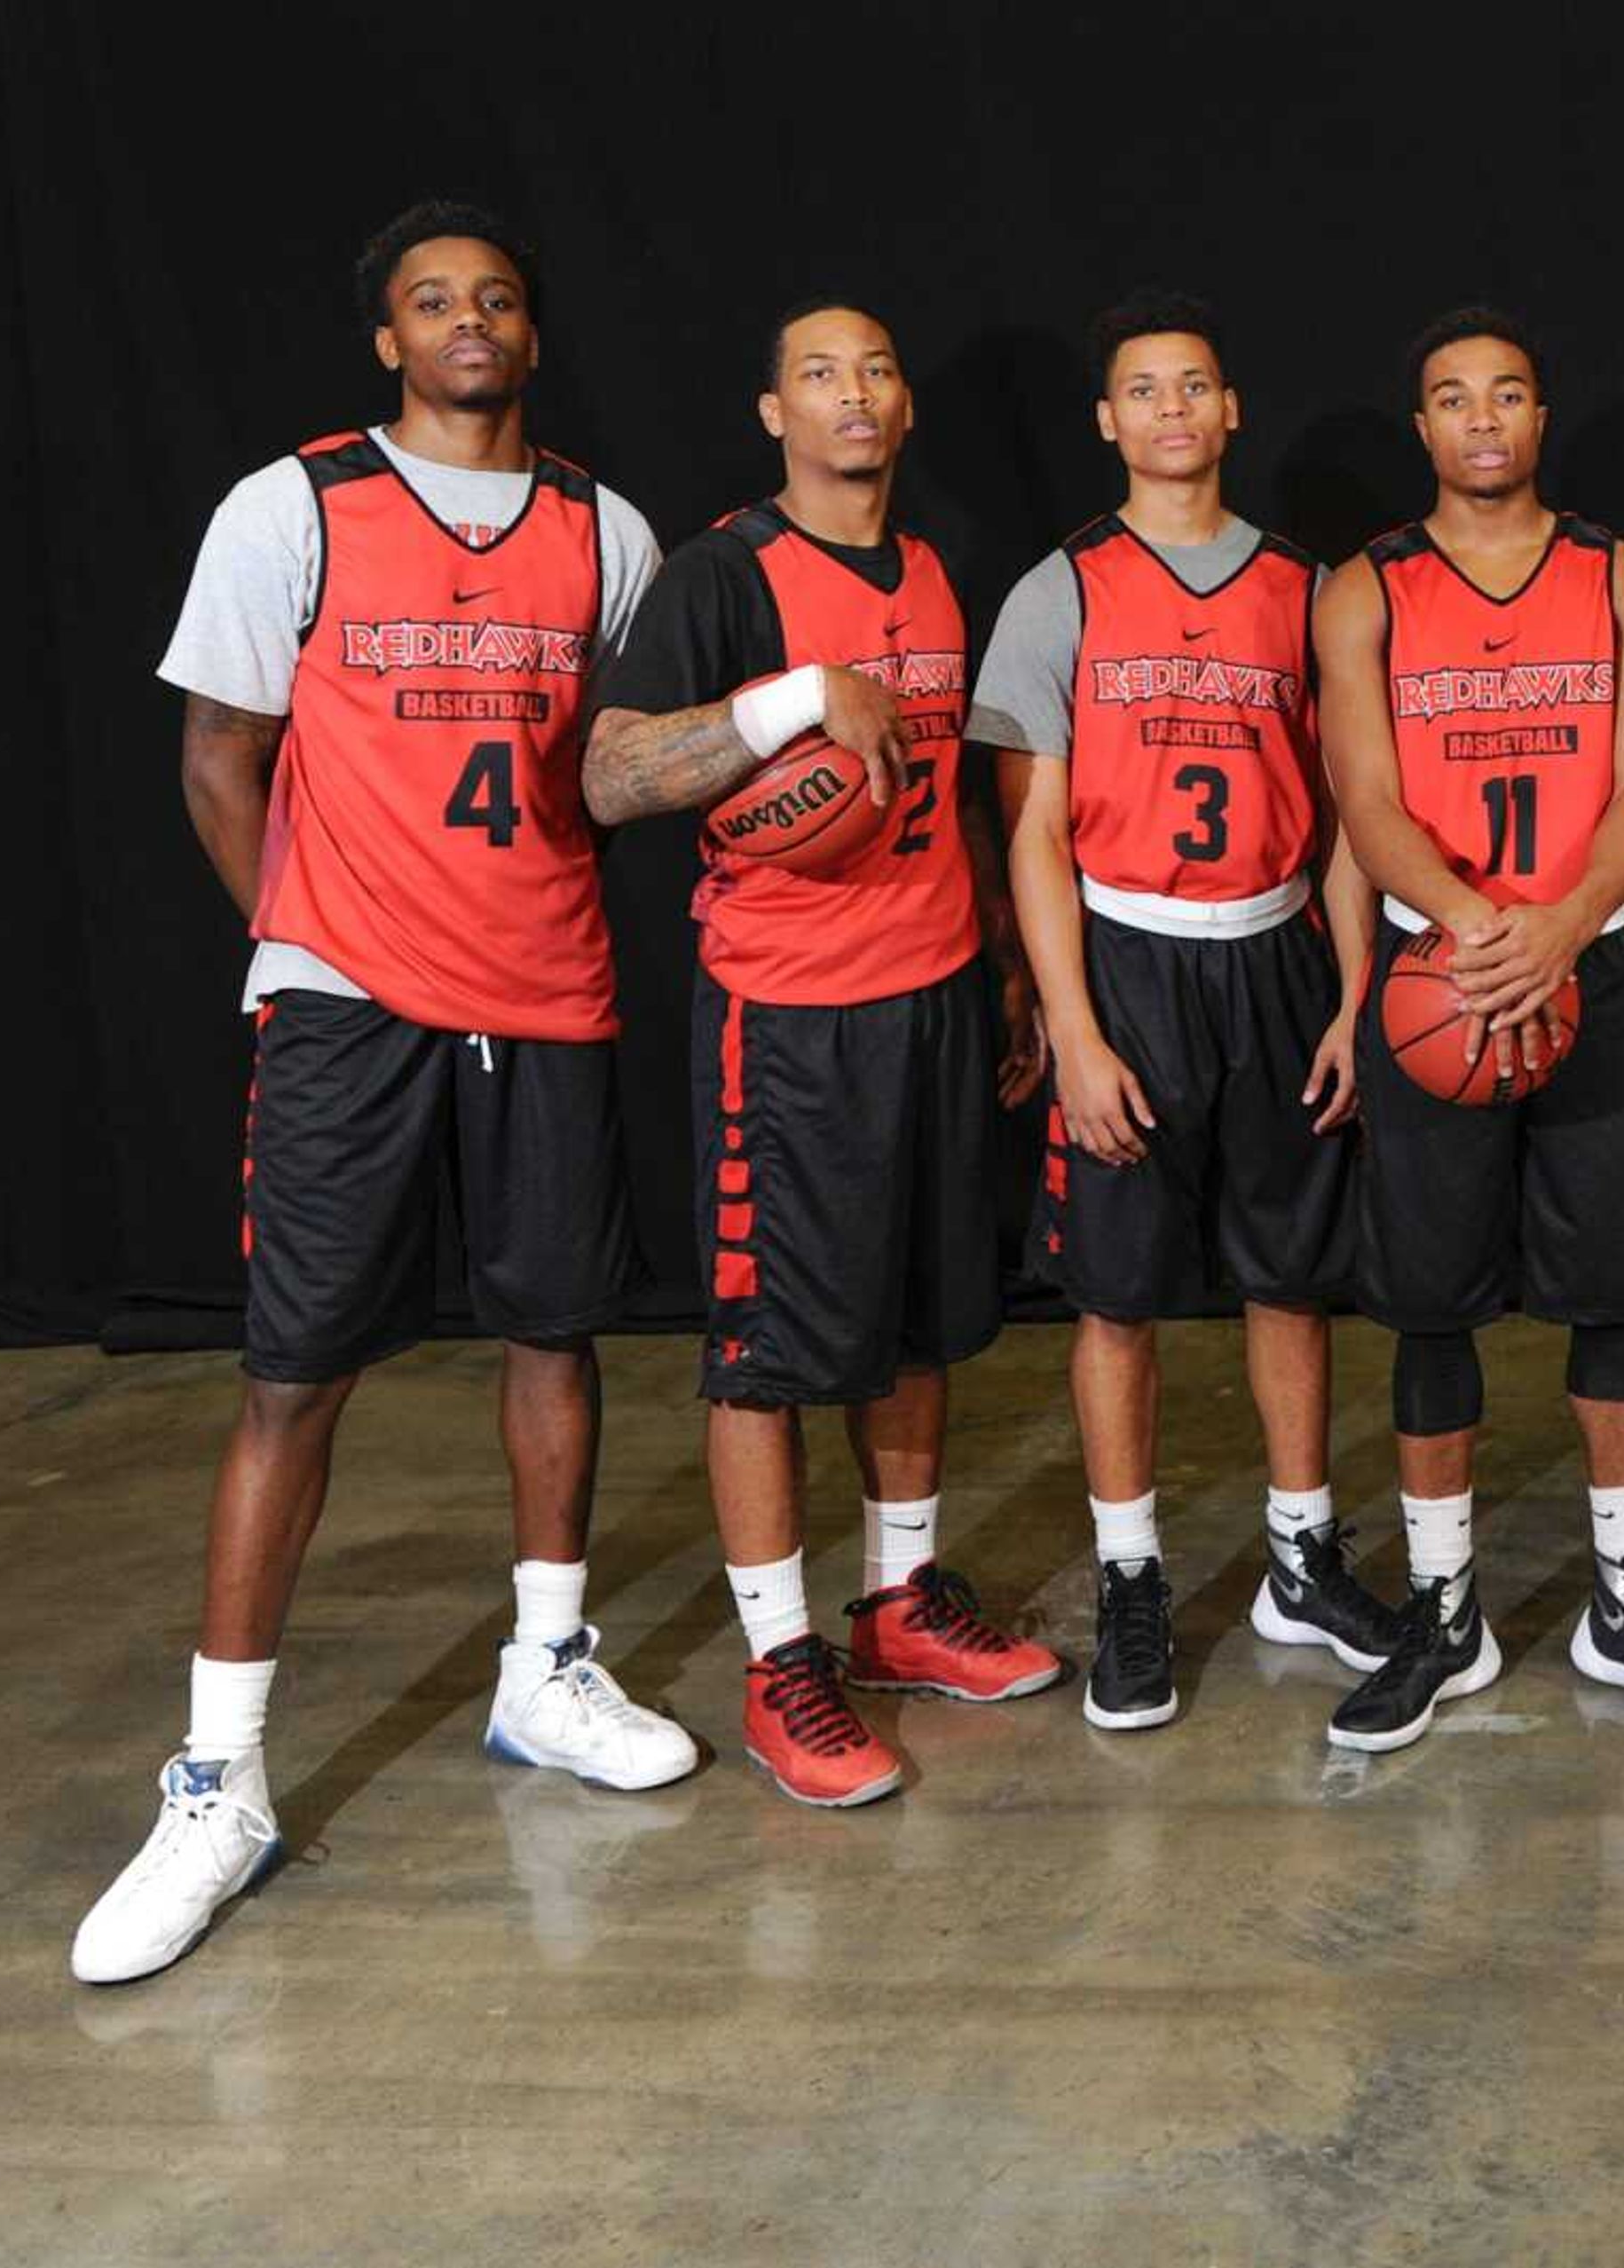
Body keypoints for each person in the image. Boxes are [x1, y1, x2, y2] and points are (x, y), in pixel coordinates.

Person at [76, 201, 691, 1988]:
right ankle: (219, 1780)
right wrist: (322, 924)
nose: (469, 321)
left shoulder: (606, 527)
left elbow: (628, 754)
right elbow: (218, 751)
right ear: (387, 342)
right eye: (433, 301)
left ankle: (547, 1671)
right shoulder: (297, 504)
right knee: (291, 1377)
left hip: (553, 986)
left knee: (558, 1332)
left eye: (498, 296)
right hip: (352, 1001)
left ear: (532, 330)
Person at [586, 299, 1058, 1809]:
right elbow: (610, 776)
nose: (853, 395)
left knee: (914, 1325)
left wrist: (1000, 969)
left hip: (931, 995)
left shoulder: (928, 571)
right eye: (818, 375)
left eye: (875, 370)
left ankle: (898, 1608)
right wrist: (794, 699)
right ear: (772, 412)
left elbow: (954, 801)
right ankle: (781, 1658)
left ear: (904, 407)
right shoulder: (724, 573)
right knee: (769, 1351)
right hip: (783, 1021)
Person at [974, 290, 1398, 1730]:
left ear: (1232, 413)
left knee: (1291, 1275)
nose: (1170, 410)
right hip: (1131, 953)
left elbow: (1356, 811)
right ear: (1110, 421)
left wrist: (1351, 995)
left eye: (1195, 386)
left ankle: (1297, 1551)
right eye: (1143, 390)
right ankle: (1132, 1576)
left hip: (1274, 953)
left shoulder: (1308, 583)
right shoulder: (1060, 587)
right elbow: (1027, 832)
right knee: (1119, 1292)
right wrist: (1074, 1028)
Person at [1307, 307, 1624, 1752]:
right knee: (1432, 1306)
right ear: (1421, 429)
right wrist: (1478, 928)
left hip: (1587, 966)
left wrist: (1557, 926)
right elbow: (1363, 801)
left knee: (1610, 1297)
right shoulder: (1363, 588)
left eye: (1508, 395)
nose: (1481, 419)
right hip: (1442, 982)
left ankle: (1623, 1600)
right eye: (1450, 399)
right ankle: (1445, 1613)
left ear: (1543, 418)